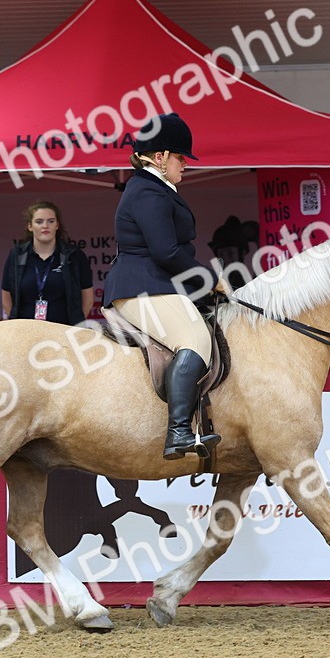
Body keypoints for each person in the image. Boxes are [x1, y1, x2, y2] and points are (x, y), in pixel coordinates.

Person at [103, 112, 226, 460]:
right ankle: (178, 432)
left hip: (155, 284)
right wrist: (208, 279)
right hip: (142, 286)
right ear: (159, 157)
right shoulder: (148, 191)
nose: (185, 164)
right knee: (196, 340)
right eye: (180, 157)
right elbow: (166, 251)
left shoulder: (154, 188)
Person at [1, 201, 93, 325]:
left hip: (63, 332)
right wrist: (18, 325)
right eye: (39, 222)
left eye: (51, 221)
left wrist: (75, 325)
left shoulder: (74, 255)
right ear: (30, 226)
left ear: (57, 225)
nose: (45, 226)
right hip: (26, 332)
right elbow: (6, 297)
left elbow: (87, 297)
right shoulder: (16, 255)